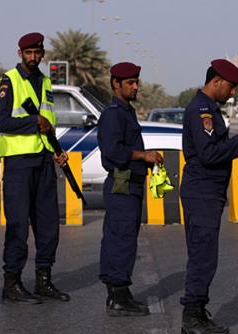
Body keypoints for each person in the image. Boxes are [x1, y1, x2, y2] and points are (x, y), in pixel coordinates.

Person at [180, 59, 238, 334]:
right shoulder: (201, 111)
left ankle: (198, 313)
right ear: (216, 82)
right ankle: (191, 317)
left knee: (204, 255)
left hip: (207, 193)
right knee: (202, 256)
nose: (233, 93)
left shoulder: (209, 110)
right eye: (231, 87)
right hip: (202, 192)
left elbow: (214, 146)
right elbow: (209, 154)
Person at [0, 32, 70, 305]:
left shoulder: (45, 81)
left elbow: (48, 123)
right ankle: (11, 283)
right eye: (29, 53)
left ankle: (43, 280)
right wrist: (33, 122)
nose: (34, 57)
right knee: (17, 225)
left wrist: (57, 151)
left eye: (38, 52)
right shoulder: (8, 81)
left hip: (42, 161)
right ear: (20, 54)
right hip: (18, 163)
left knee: (49, 225)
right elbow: (2, 122)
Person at [97, 62, 163, 316]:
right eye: (130, 83)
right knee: (121, 240)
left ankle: (117, 295)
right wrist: (142, 155)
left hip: (130, 183)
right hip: (122, 183)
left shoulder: (126, 110)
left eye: (137, 81)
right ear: (116, 84)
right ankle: (119, 296)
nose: (135, 86)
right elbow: (112, 151)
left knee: (120, 238)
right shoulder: (114, 113)